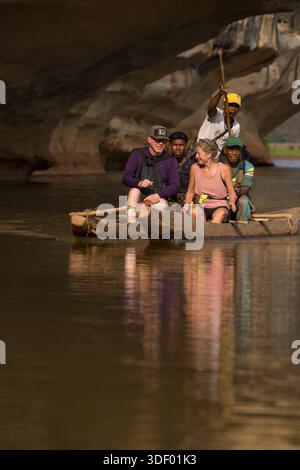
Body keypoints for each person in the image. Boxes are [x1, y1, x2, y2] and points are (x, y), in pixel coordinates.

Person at [122, 125, 180, 222]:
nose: (160, 144)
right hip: (140, 198)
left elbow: (175, 185)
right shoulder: (137, 154)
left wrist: (157, 196)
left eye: (163, 141)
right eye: (157, 140)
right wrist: (139, 183)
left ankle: (156, 229)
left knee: (161, 206)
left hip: (159, 197)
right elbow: (125, 178)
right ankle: (131, 225)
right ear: (149, 140)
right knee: (133, 191)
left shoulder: (170, 159)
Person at [184, 139, 236, 223]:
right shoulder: (194, 168)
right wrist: (186, 206)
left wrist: (232, 202)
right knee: (193, 212)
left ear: (209, 154)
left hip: (220, 206)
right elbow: (190, 191)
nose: (196, 156)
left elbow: (231, 192)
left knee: (220, 214)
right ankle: (203, 229)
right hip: (201, 205)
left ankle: (213, 229)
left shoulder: (223, 169)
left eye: (199, 153)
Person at [197, 83, 241, 156]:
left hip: (214, 161)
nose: (233, 108)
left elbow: (232, 146)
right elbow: (210, 109)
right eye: (230, 105)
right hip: (200, 154)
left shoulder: (236, 126)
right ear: (224, 105)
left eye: (236, 106)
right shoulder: (216, 114)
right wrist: (220, 93)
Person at [220, 136, 254, 221]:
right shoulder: (218, 165)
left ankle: (242, 225)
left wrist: (232, 193)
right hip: (221, 200)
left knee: (244, 201)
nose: (234, 153)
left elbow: (245, 190)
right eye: (231, 150)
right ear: (225, 150)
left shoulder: (248, 166)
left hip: (238, 199)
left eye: (237, 150)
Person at [169, 131, 194, 204]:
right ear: (170, 145)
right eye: (175, 145)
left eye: (181, 145)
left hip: (188, 201)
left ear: (185, 146)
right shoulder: (164, 164)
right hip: (168, 202)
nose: (178, 148)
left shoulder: (192, 165)